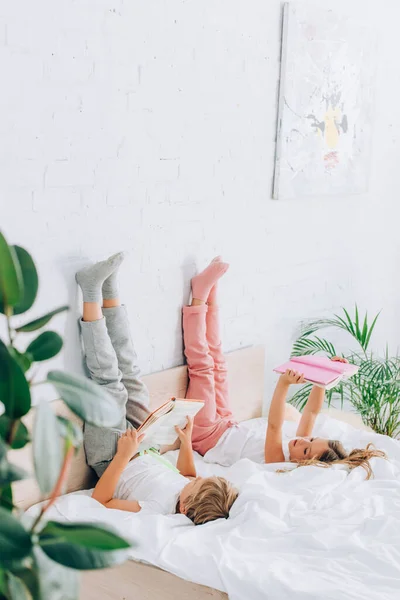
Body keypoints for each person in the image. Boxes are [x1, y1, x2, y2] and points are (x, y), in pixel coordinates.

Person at [183, 257, 386, 478]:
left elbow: (274, 426)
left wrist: (284, 383)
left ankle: (199, 296)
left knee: (203, 367)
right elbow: (311, 412)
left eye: (306, 448)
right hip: (227, 423)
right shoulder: (298, 446)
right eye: (311, 439)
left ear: (304, 464)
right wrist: (327, 376)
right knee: (219, 364)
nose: (302, 440)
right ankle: (210, 298)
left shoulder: (277, 460)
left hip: (206, 435)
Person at [75, 253, 238, 525]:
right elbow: (186, 476)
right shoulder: (188, 491)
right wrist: (185, 444)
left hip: (112, 455)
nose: (194, 479)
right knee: (131, 374)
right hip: (142, 442)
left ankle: (90, 291)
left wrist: (124, 455)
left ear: (184, 508)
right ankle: (110, 291)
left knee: (109, 383)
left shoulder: (157, 509)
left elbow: (101, 500)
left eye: (196, 485)